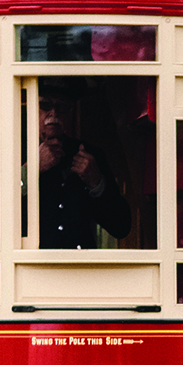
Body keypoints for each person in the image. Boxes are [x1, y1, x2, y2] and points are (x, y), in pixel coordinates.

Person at [36, 84, 132, 248]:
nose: (54, 113)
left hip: (79, 270)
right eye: (45, 105)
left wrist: (97, 183)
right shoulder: (5, 149)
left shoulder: (90, 155)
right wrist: (30, 171)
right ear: (31, 107)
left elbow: (121, 227)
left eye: (63, 106)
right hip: (27, 269)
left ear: (71, 113)